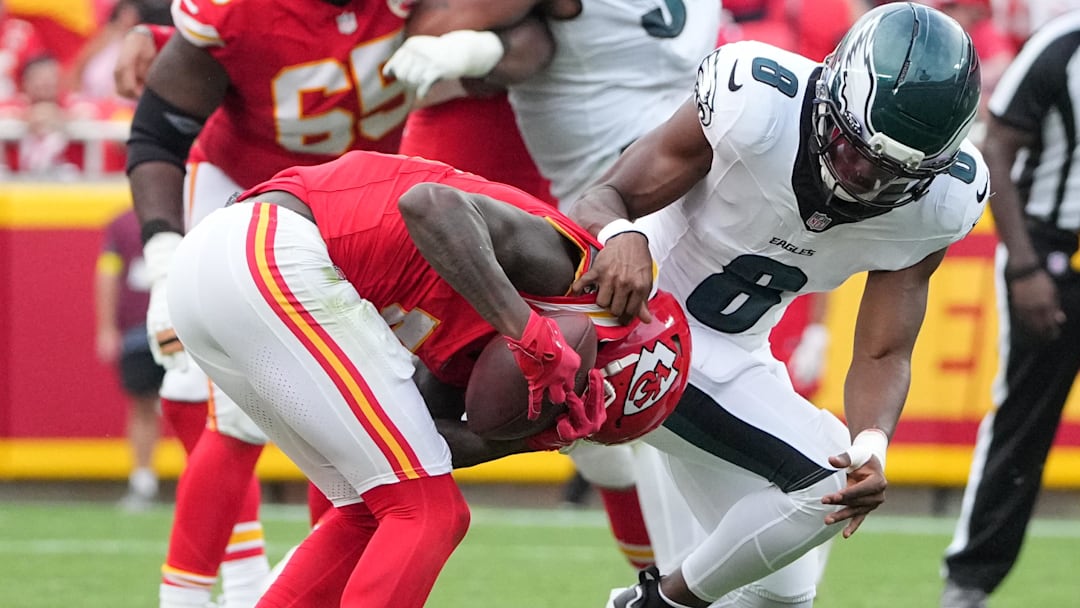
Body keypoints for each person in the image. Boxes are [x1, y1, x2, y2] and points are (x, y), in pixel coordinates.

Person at [566, 3, 987, 606]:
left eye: (891, 176)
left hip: (732, 354)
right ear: (830, 100)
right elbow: (603, 196)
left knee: (780, 593)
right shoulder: (756, 103)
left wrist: (873, 440)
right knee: (825, 475)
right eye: (854, 153)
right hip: (641, 326)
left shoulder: (944, 203)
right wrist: (622, 234)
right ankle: (657, 603)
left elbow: (885, 348)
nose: (864, 182)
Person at [165, 148, 692, 608]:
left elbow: (429, 437)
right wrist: (528, 333)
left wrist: (534, 439)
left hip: (220, 274)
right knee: (429, 513)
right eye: (580, 396)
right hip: (267, 247)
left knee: (371, 511)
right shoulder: (564, 271)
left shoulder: (495, 341)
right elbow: (428, 203)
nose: (567, 400)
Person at [385, 0, 721, 573]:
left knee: (642, 408)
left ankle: (673, 583)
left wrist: (473, 46)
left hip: (603, 193)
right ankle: (668, 580)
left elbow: (443, 32)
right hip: (661, 177)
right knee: (623, 409)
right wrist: (478, 48)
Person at [124, 1, 413, 606]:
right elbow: (158, 130)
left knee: (362, 399)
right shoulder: (235, 11)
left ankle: (308, 585)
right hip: (244, 193)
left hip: (368, 198)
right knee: (223, 403)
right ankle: (200, 592)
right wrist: (163, 251)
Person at [940, 10, 1080, 608]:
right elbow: (996, 143)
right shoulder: (1062, 46)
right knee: (1024, 419)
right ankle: (969, 579)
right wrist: (1023, 266)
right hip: (1055, 254)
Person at [94, 208, 165, 511]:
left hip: (177, 327)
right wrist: (106, 327)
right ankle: (143, 479)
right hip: (140, 329)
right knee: (143, 404)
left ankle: (204, 481)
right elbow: (107, 274)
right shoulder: (122, 225)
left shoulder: (188, 214)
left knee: (194, 404)